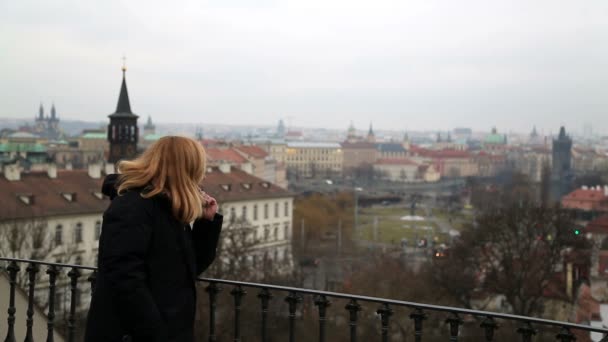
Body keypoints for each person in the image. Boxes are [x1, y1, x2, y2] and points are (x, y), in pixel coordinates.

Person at [85, 136, 223, 342]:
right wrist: (158, 334)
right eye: (197, 171)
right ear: (184, 170)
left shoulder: (166, 206)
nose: (200, 178)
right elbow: (124, 280)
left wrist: (206, 223)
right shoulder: (132, 206)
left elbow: (188, 269)